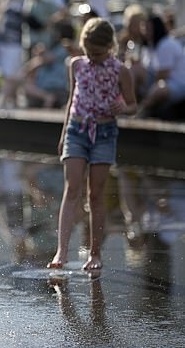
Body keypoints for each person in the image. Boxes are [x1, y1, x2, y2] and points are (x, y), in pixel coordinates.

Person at [47, 18, 136, 271]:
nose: (92, 58)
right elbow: (70, 99)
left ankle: (95, 253)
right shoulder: (76, 64)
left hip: (105, 133)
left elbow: (133, 104)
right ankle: (61, 251)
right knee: (71, 187)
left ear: (110, 46)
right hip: (77, 130)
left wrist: (124, 108)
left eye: (97, 53)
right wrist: (65, 132)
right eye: (88, 52)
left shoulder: (121, 70)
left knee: (95, 195)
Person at [138, 15, 185, 118]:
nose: (146, 31)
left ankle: (141, 112)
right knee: (135, 70)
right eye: (145, 28)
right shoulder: (152, 45)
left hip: (178, 85)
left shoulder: (165, 44)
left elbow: (162, 76)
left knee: (159, 88)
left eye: (149, 28)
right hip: (166, 82)